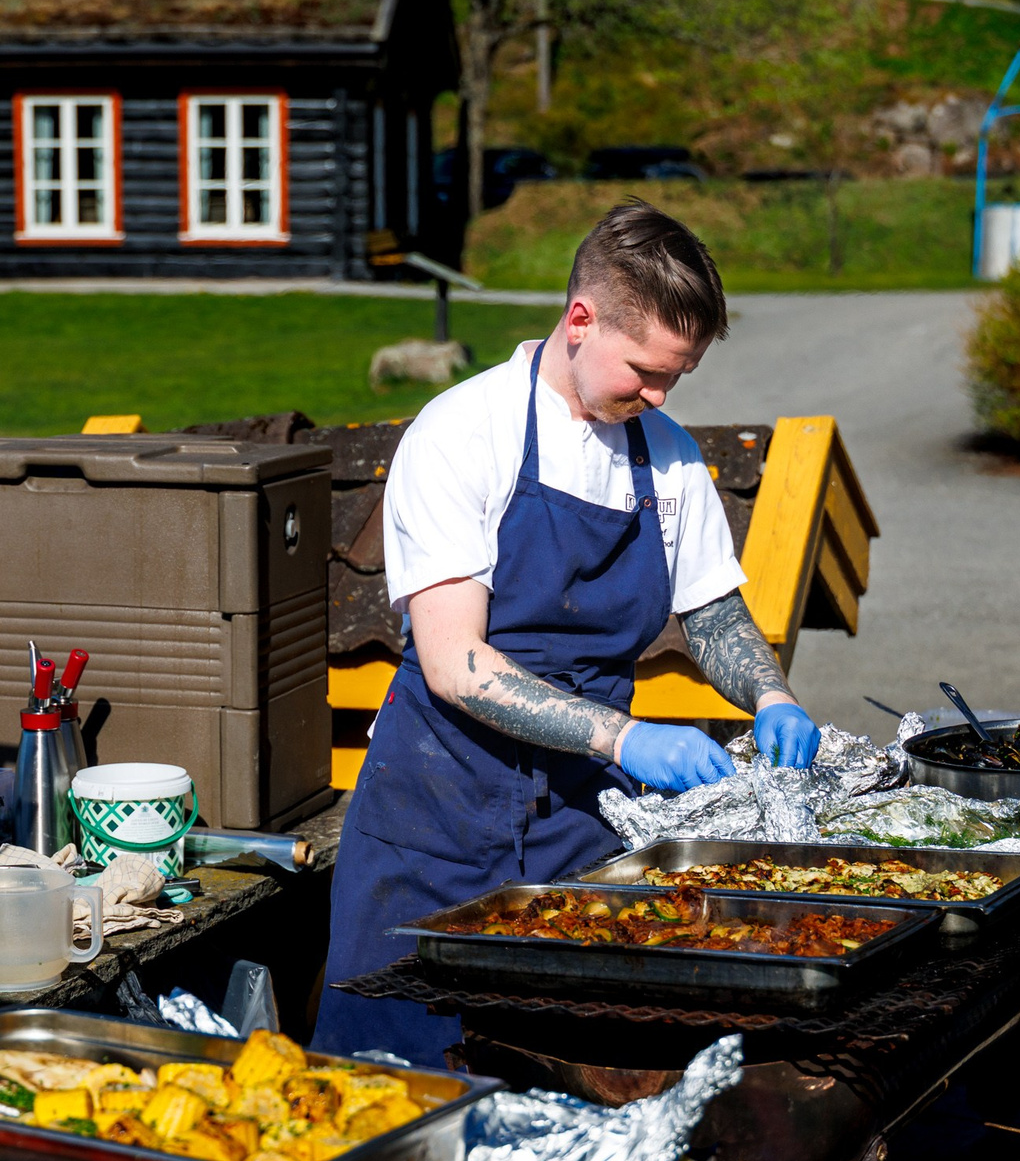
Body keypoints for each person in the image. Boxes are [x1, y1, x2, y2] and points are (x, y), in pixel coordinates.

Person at [319, 202, 821, 1066]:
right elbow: (457, 663)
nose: (659, 397)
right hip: (434, 827)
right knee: (390, 1084)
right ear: (580, 320)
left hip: (584, 832)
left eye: (677, 378)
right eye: (644, 372)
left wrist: (770, 694)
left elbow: (713, 612)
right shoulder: (460, 433)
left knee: (565, 1073)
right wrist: (626, 737)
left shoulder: (667, 458)